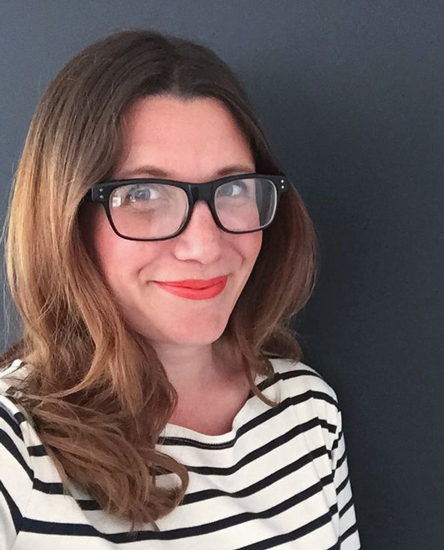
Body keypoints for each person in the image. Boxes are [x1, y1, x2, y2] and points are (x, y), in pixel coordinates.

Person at [0, 28, 360, 549]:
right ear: (67, 219)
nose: (205, 246)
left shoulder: (306, 410)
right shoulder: (16, 448)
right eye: (143, 193)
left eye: (233, 188)